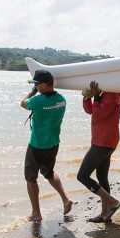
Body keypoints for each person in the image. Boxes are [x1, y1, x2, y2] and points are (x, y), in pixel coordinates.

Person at [20, 70, 73, 221]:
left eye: (36, 84)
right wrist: (38, 89)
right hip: (53, 144)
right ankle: (65, 199)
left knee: (31, 178)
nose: (35, 86)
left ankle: (36, 213)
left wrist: (32, 92)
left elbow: (23, 103)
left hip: (37, 145)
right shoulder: (62, 100)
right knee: (49, 173)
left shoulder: (37, 101)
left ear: (43, 84)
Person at [77, 81, 120, 223]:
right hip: (103, 140)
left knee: (82, 176)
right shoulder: (106, 93)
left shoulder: (112, 96)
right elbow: (90, 111)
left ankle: (112, 202)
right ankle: (105, 214)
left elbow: (98, 115)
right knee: (101, 176)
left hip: (103, 142)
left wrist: (97, 97)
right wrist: (87, 97)